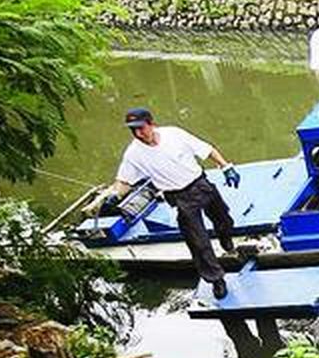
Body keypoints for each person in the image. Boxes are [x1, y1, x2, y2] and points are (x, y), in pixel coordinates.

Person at [92, 108, 240, 300]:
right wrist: (114, 196)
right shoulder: (133, 154)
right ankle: (216, 279)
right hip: (179, 197)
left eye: (141, 128)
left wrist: (225, 166)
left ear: (152, 124)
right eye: (133, 130)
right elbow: (124, 181)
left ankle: (225, 239)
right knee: (197, 241)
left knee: (223, 219)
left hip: (199, 184)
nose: (138, 134)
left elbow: (206, 149)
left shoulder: (174, 134)